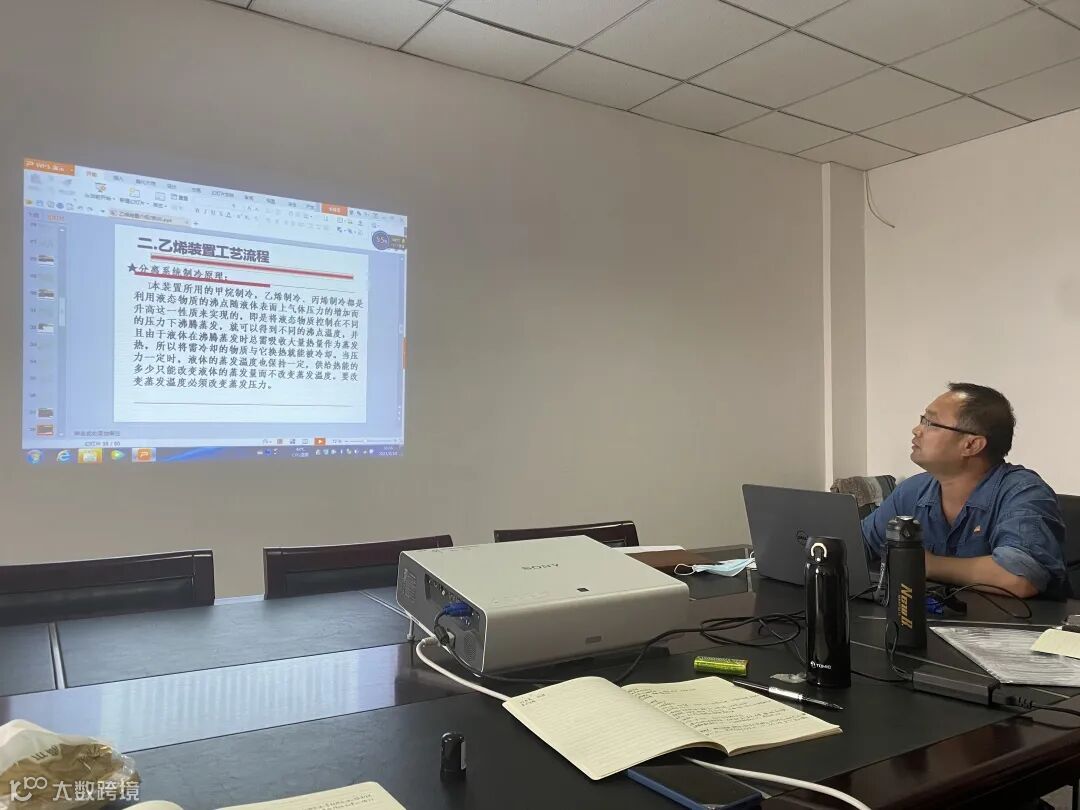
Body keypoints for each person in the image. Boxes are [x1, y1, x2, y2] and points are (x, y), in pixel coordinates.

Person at [862, 383, 1066, 599]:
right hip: (931, 617)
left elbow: (1020, 577)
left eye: (930, 423)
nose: (917, 430)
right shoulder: (912, 491)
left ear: (971, 445)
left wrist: (925, 564)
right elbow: (858, 546)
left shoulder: (1024, 491)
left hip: (1017, 620)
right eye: (922, 419)